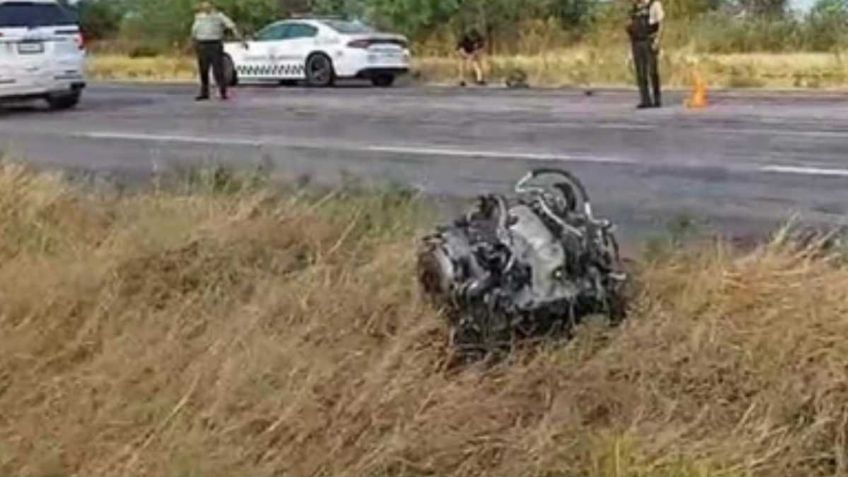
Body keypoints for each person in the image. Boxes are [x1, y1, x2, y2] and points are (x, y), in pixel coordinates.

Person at [190, 1, 244, 101]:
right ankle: (204, 92)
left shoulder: (219, 16)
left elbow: (231, 26)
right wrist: (192, 43)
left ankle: (223, 92)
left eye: (207, 5)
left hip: (214, 44)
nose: (205, 7)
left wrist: (240, 38)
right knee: (203, 70)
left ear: (212, 6)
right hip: (202, 44)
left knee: (218, 70)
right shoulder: (198, 17)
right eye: (203, 5)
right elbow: (194, 31)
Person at [626, 0, 664, 108]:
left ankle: (657, 99)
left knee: (652, 71)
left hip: (649, 40)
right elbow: (630, 25)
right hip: (636, 42)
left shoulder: (654, 4)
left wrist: (657, 40)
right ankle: (645, 99)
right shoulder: (635, 7)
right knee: (640, 72)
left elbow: (661, 23)